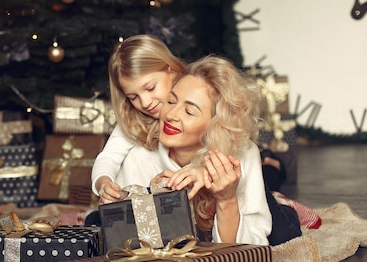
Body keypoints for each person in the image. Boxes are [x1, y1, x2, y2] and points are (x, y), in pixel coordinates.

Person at [149, 55, 302, 245]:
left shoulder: (242, 151)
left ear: (215, 125)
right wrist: (151, 198)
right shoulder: (140, 153)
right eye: (171, 101)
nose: (170, 115)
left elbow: (250, 249)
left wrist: (226, 197)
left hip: (249, 183)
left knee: (284, 234)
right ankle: (268, 163)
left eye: (189, 111)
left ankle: (271, 164)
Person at [90, 34, 186, 202]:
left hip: (186, 199)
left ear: (172, 71)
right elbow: (108, 157)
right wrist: (103, 183)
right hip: (142, 205)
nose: (145, 102)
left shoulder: (196, 107)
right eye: (133, 97)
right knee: (136, 153)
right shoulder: (134, 120)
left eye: (150, 88)